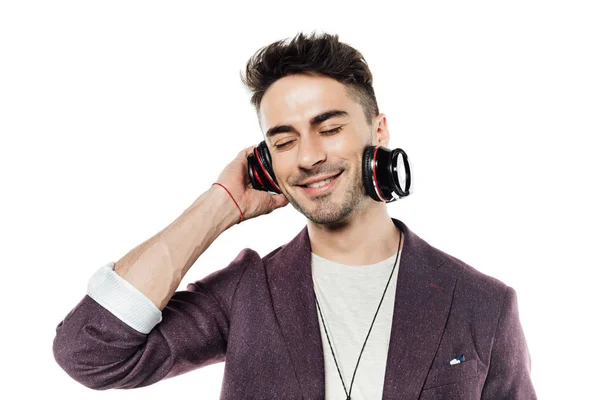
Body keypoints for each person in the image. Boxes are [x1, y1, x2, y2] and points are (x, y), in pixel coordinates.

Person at [53, 32, 536, 399]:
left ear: (378, 131)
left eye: (329, 128)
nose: (307, 157)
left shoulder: (483, 305)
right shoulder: (247, 294)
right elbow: (90, 352)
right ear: (266, 162)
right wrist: (221, 204)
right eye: (284, 141)